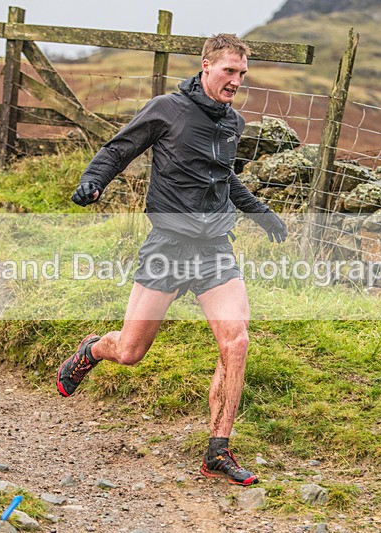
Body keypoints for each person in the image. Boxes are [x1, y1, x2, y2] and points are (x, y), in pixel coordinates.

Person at [57, 33, 287, 486]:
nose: (236, 80)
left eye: (242, 73)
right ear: (206, 66)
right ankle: (93, 350)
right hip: (168, 245)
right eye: (229, 71)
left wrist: (261, 213)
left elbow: (224, 178)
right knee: (130, 351)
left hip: (214, 247)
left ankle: (218, 451)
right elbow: (119, 148)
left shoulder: (233, 122)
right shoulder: (167, 109)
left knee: (236, 342)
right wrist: (93, 180)